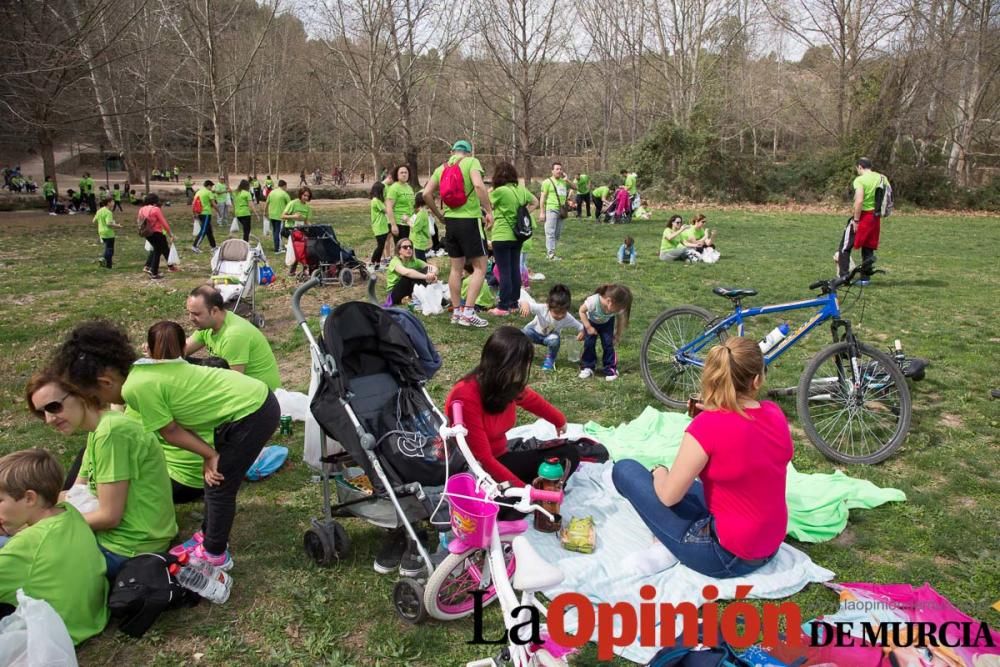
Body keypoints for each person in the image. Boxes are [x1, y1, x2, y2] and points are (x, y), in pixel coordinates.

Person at [50, 320, 280, 570]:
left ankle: (214, 553)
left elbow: (170, 432)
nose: (97, 403)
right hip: (247, 404)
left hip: (253, 411)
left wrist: (210, 455)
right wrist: (206, 453)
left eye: (95, 396)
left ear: (106, 382)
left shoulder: (136, 389)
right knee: (214, 478)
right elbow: (183, 416)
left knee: (219, 482)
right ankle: (207, 535)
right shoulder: (141, 369)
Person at [611, 337, 793, 578]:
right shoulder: (774, 413)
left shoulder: (707, 426)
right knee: (696, 488)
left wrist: (659, 471)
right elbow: (747, 448)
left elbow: (668, 497)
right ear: (757, 380)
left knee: (625, 470)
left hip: (726, 557)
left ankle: (668, 546)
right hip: (770, 545)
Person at [25, 372, 177, 577]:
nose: (49, 419)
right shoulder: (100, 429)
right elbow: (74, 492)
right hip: (123, 540)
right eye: (41, 413)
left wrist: (43, 524)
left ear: (79, 393)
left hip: (130, 547)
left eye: (53, 407)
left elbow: (109, 517)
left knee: (22, 562)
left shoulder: (112, 433)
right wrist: (25, 514)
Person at [445, 326, 597, 489]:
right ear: (502, 365)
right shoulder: (465, 396)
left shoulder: (503, 383)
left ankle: (538, 489)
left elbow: (531, 399)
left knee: (567, 454)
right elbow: (483, 459)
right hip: (477, 472)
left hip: (501, 458)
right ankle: (535, 491)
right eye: (521, 366)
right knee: (511, 499)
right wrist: (525, 493)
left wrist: (558, 420)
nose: (523, 372)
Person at [0, 449, 110, 644]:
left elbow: (25, 548)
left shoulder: (25, 545)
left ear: (30, 498)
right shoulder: (69, 513)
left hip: (60, 633)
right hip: (92, 617)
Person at [421, 139, 494, 328]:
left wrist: (439, 215)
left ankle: (457, 312)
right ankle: (469, 313)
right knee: (480, 266)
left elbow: (426, 193)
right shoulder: (472, 162)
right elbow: (478, 186)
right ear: (468, 152)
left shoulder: (441, 168)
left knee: (455, 268)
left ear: (452, 151)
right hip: (470, 219)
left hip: (451, 221)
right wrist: (488, 210)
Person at [184, 285, 281, 390]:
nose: (191, 318)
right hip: (244, 389)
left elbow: (231, 385)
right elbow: (180, 350)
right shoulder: (208, 326)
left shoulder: (233, 335)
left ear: (214, 311)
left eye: (196, 314)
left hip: (260, 399)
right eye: (189, 312)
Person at [488, 161, 539, 316]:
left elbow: (484, 198)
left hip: (502, 235)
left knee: (504, 271)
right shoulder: (521, 190)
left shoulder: (499, 191)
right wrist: (523, 213)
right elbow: (535, 202)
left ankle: (503, 306)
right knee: (514, 269)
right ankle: (513, 304)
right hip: (518, 236)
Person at [838, 157, 887, 285]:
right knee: (868, 247)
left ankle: (844, 277)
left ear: (860, 167)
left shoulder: (860, 180)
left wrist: (856, 220)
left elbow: (859, 201)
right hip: (875, 217)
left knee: (845, 246)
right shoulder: (882, 177)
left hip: (863, 216)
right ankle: (865, 278)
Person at [519, 284, 584, 371]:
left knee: (555, 339)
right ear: (549, 306)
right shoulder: (542, 308)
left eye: (563, 312)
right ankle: (523, 354)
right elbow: (525, 302)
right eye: (556, 312)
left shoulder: (568, 318)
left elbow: (581, 327)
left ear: (567, 309)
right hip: (533, 333)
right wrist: (525, 306)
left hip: (548, 338)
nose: (560, 315)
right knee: (524, 333)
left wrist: (583, 332)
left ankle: (550, 359)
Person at [578, 283, 632, 381]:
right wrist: (588, 327)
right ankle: (587, 367)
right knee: (589, 344)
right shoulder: (593, 301)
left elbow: (620, 320)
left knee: (608, 344)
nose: (619, 311)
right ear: (609, 301)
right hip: (591, 322)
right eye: (618, 309)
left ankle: (610, 369)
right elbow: (581, 311)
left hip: (607, 324)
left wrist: (617, 335)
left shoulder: (615, 305)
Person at [386, 238, 438, 305]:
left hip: (408, 289)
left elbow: (433, 267)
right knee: (407, 277)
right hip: (394, 293)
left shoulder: (414, 261)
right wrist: (426, 277)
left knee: (426, 270)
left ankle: (435, 296)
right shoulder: (395, 261)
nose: (408, 249)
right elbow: (406, 272)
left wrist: (432, 274)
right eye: (405, 247)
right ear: (399, 250)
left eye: (410, 247)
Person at [539, 162, 575, 261]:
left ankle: (552, 252)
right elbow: (542, 197)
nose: (559, 171)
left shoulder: (564, 182)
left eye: (560, 169)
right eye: (557, 169)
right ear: (552, 171)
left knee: (557, 233)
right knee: (550, 232)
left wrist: (567, 179)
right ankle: (550, 254)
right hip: (551, 209)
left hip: (562, 210)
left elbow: (575, 187)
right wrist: (542, 212)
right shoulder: (547, 182)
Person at [137, 193, 174, 280]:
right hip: (157, 232)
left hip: (147, 233)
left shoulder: (141, 209)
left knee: (158, 249)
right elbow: (163, 222)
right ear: (155, 201)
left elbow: (139, 221)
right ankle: (153, 272)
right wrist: (170, 234)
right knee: (158, 251)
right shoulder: (156, 209)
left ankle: (152, 268)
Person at [385, 165, 415, 240]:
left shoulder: (409, 187)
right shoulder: (394, 188)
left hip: (409, 222)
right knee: (401, 248)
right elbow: (389, 208)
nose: (404, 174)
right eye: (401, 173)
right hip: (399, 223)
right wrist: (393, 225)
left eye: (406, 172)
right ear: (397, 175)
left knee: (409, 247)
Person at [94, 195, 121, 270]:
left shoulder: (99, 210)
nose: (114, 202)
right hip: (108, 232)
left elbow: (94, 220)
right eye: (112, 201)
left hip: (101, 231)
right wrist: (117, 225)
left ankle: (108, 264)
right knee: (110, 250)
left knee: (107, 247)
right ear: (108, 203)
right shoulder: (108, 212)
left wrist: (101, 223)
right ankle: (105, 261)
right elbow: (109, 223)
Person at [192, 180, 219, 254]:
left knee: (209, 231)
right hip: (206, 213)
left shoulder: (198, 192)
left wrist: (194, 213)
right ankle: (195, 246)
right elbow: (213, 204)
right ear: (209, 186)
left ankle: (213, 247)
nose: (211, 188)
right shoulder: (209, 192)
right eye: (211, 186)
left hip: (199, 213)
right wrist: (219, 212)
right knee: (203, 230)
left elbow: (194, 203)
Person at [265, 179, 291, 252]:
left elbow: (267, 203)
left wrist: (265, 212)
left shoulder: (272, 192)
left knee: (275, 232)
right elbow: (290, 205)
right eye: (286, 187)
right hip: (280, 216)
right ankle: (278, 249)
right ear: (284, 186)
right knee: (279, 232)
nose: (286, 188)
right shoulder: (284, 194)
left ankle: (277, 246)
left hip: (271, 215)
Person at [369, 182, 389, 267]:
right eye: (383, 190)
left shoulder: (377, 200)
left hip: (382, 226)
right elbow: (386, 210)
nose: (384, 192)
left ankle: (377, 262)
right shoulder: (376, 201)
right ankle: (373, 261)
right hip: (379, 226)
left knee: (381, 245)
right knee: (380, 246)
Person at [409, 192, 432, 261]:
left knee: (420, 260)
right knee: (422, 258)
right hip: (420, 240)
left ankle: (424, 271)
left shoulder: (421, 214)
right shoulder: (424, 212)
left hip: (419, 241)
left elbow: (416, 228)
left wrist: (407, 221)